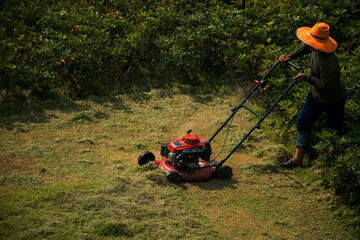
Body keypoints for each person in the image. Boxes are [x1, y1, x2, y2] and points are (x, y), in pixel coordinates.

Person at [278, 22, 346, 168]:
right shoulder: (316, 47)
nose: (310, 44)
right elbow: (306, 47)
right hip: (316, 95)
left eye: (312, 42)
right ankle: (297, 159)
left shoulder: (327, 63)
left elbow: (328, 88)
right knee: (302, 121)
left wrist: (306, 77)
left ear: (319, 43)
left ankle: (335, 165)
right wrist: (290, 57)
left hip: (333, 99)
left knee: (335, 129)